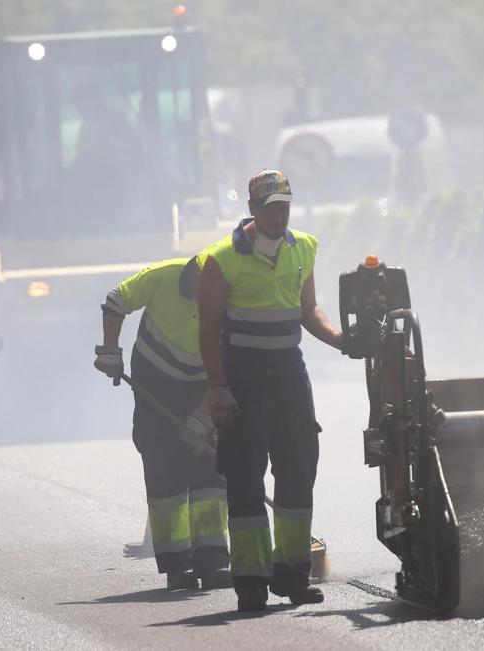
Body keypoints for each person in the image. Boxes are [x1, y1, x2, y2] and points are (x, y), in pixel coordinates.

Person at [197, 169, 344, 612]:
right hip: (243, 374)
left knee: (298, 471)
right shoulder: (221, 259)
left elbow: (309, 309)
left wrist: (340, 339)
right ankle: (250, 581)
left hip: (288, 374)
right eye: (270, 208)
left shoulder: (305, 247)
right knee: (244, 478)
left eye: (284, 206)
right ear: (252, 211)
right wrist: (217, 387)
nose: (279, 215)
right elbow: (207, 328)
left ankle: (292, 575)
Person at [95, 257, 232, 590]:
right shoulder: (161, 277)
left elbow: (231, 362)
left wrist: (203, 414)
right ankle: (176, 565)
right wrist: (110, 350)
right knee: (163, 468)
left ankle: (212, 561)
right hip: (155, 381)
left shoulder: (230, 295)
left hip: (204, 381)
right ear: (196, 272)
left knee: (210, 471)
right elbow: (115, 302)